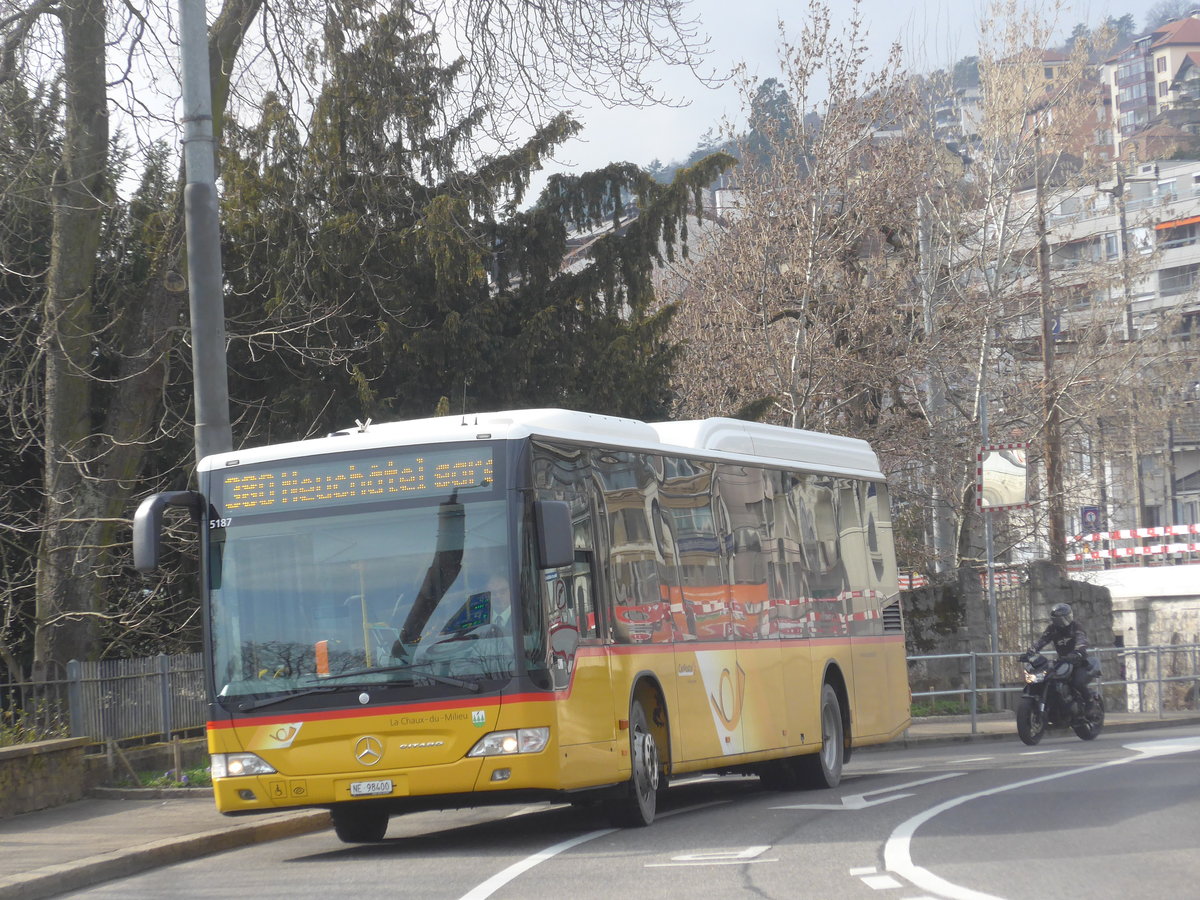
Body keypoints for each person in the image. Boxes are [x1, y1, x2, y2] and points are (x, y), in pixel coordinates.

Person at [1028, 602, 1092, 721]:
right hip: (1063, 661)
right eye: (1060, 619)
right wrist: (1031, 651)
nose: (1064, 621)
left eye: (1066, 618)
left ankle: (1090, 704)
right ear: (1055, 620)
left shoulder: (1076, 626)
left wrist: (1077, 652)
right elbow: (1042, 641)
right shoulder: (1052, 629)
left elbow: (1081, 640)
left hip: (1078, 661)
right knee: (1050, 679)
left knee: (1077, 682)